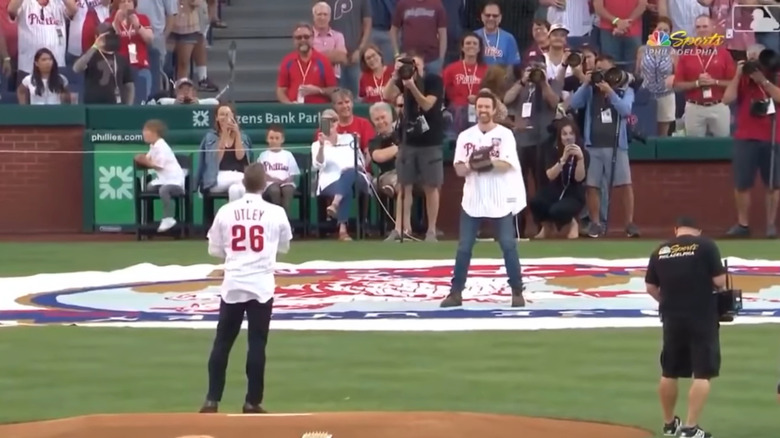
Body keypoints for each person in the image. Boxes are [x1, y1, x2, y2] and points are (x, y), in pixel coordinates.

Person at [199, 162, 293, 415]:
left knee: (222, 342)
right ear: (264, 184)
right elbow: (284, 246)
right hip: (261, 285)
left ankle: (211, 399)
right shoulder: (276, 213)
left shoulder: (227, 211)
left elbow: (214, 249)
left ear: (243, 183)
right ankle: (252, 401)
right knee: (257, 343)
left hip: (233, 283)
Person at [439, 90, 526, 308]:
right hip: (473, 200)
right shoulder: (465, 136)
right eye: (480, 107)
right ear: (475, 109)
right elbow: (459, 169)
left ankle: (517, 290)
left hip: (499, 199)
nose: (483, 110)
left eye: (487, 106)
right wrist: (473, 165)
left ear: (494, 109)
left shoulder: (505, 135)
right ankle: (456, 292)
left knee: (508, 245)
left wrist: (482, 162)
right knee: (464, 247)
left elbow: (507, 164)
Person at [644, 216, 727, 438]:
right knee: (702, 372)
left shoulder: (660, 250)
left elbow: (650, 286)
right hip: (701, 315)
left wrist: (668, 301)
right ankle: (690, 428)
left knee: (669, 371)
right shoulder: (706, 245)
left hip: (671, 317)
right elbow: (719, 282)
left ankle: (669, 424)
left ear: (676, 230)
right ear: (698, 230)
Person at [382, 51, 445, 241]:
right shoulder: (402, 80)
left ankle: (431, 230)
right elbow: (386, 96)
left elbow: (427, 105)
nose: (411, 68)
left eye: (413, 63)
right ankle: (401, 228)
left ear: (422, 64)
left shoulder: (434, 81)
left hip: (430, 140)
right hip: (408, 140)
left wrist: (412, 87)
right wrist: (394, 77)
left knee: (430, 186)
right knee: (404, 186)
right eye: (406, 65)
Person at [722, 53, 780, 238]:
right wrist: (738, 75)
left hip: (773, 137)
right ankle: (743, 224)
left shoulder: (775, 76)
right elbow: (726, 99)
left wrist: (763, 81)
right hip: (746, 137)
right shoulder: (743, 80)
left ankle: (770, 225)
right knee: (742, 183)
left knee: (773, 183)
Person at [312, 109, 371, 241]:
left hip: (356, 177)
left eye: (333, 120)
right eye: (326, 121)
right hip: (330, 181)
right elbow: (317, 165)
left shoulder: (349, 138)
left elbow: (360, 161)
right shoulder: (317, 144)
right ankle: (342, 230)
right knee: (346, 189)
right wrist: (322, 146)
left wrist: (352, 168)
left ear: (337, 122)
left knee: (350, 172)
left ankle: (335, 203)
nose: (330, 124)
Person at [529, 118, 589, 239]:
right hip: (555, 188)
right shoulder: (552, 151)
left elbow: (579, 178)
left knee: (556, 210)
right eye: (564, 134)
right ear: (560, 137)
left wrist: (580, 159)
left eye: (571, 133)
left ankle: (573, 223)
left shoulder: (584, 153)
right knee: (535, 202)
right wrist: (562, 160)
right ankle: (546, 227)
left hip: (574, 193)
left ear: (576, 136)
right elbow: (550, 175)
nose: (568, 137)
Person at [132, 119, 185, 232]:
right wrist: (140, 159)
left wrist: (144, 161)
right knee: (150, 187)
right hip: (163, 180)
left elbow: (158, 166)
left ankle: (168, 218)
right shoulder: (153, 146)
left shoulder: (162, 146)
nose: (144, 133)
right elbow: (147, 160)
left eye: (146, 131)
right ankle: (147, 222)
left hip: (175, 182)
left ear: (155, 132)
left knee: (164, 190)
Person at [195, 103, 253, 202]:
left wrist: (237, 134)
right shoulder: (211, 137)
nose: (225, 117)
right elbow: (216, 159)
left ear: (233, 117)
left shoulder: (242, 136)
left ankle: (234, 216)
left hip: (236, 176)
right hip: (216, 179)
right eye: (222, 114)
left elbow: (240, 157)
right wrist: (225, 133)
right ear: (217, 118)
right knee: (245, 180)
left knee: (236, 190)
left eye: (228, 114)